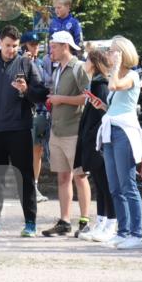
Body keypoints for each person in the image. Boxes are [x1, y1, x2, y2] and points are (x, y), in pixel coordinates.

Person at [0, 26, 48, 238]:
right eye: (8, 45)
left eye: (15, 46)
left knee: (24, 178)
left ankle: (30, 223)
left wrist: (26, 90)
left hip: (19, 129)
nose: (11, 50)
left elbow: (41, 95)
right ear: (0, 43)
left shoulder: (27, 64)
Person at [94, 36, 142, 249]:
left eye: (112, 51)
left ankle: (137, 234)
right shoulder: (118, 75)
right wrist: (102, 106)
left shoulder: (132, 76)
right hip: (111, 130)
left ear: (122, 54)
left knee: (128, 186)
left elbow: (115, 86)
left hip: (124, 133)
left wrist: (116, 67)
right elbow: (116, 104)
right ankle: (123, 231)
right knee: (115, 186)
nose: (108, 54)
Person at [41, 31, 92, 237]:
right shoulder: (57, 69)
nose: (50, 50)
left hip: (74, 130)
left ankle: (85, 220)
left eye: (53, 46)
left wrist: (61, 99)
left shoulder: (78, 67)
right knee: (63, 177)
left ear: (65, 46)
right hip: (57, 130)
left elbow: (87, 97)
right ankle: (64, 221)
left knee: (80, 176)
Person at [77, 48, 116, 241]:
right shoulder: (95, 83)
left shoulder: (100, 84)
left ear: (93, 62)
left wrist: (91, 135)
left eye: (87, 60)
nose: (84, 63)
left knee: (105, 184)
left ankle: (111, 222)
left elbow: (102, 114)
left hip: (98, 141)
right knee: (100, 185)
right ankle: (101, 221)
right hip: (92, 138)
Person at [21, 31, 51, 204]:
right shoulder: (18, 63)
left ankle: (34, 186)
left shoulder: (40, 63)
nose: (36, 47)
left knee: (37, 150)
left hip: (40, 112)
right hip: (24, 113)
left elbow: (45, 85)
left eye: (37, 44)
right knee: (23, 152)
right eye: (32, 44)